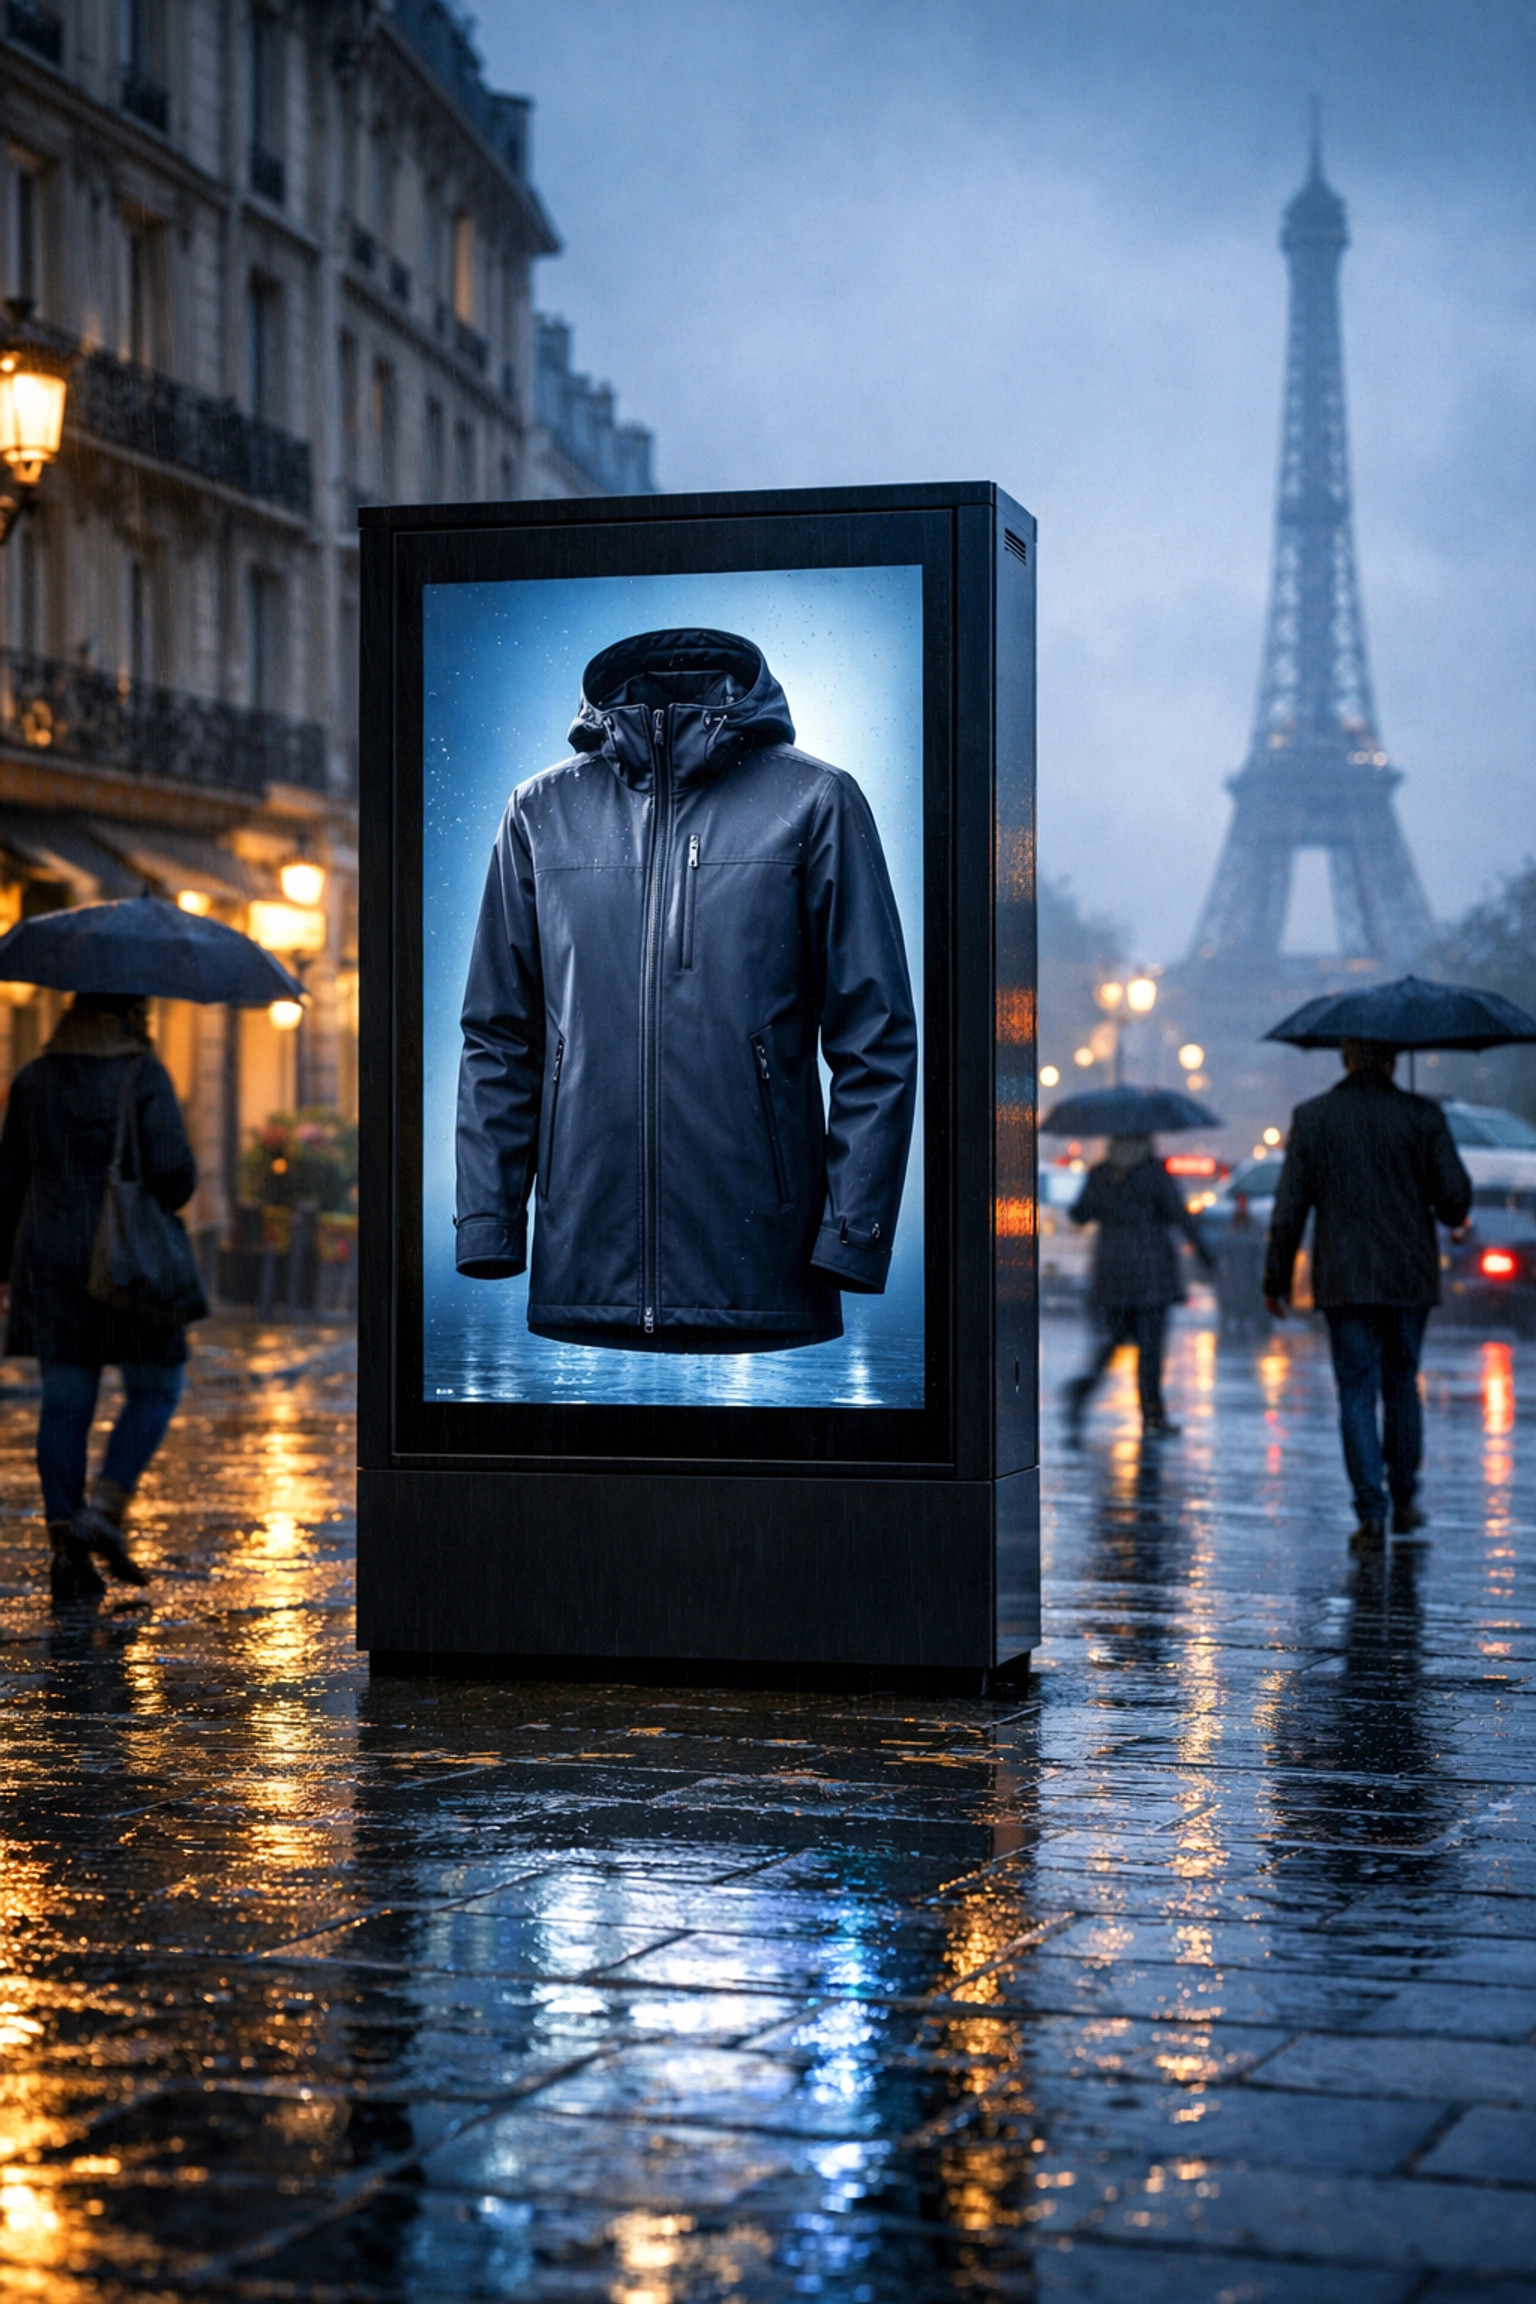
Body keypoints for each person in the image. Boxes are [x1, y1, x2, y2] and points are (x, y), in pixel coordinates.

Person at [0, 992, 199, 1605]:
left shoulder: (33, 1079)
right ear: (133, 1016)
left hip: (50, 1262)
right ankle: (106, 1506)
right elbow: (175, 1177)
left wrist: (6, 1270)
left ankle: (66, 1549)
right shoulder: (143, 1074)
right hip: (126, 1263)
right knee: (158, 1384)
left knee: (64, 1402)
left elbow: (8, 1179)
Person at [1262, 1037, 1472, 1547]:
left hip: (1346, 1279)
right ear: (1395, 1059)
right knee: (1402, 1382)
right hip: (1407, 1277)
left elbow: (1290, 1207)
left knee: (1355, 1389)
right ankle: (1404, 1497)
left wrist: (1277, 1279)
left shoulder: (1314, 1117)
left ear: (1345, 1058)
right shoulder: (1422, 1116)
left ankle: (1370, 1511)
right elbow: (1454, 1198)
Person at [1064, 1134, 1214, 1438]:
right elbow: (1179, 1216)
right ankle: (1153, 1417)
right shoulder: (1153, 1173)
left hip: (1112, 1274)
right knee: (1150, 1349)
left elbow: (1079, 1213)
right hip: (1151, 1274)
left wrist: (1104, 1198)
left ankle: (1082, 1391)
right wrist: (1205, 1254)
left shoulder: (1102, 1173)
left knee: (1111, 1342)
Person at [1216, 1192, 1268, 1339]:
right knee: (1236, 1299)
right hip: (1236, 1272)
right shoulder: (1232, 1224)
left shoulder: (1253, 1224)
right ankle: (1239, 1323)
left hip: (1246, 1271)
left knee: (1246, 1299)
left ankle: (1245, 1323)